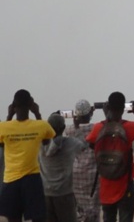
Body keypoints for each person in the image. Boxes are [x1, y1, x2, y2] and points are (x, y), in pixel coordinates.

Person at [85, 92, 134, 222]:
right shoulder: (130, 127)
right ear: (123, 108)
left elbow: (92, 145)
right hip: (125, 185)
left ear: (108, 106)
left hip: (106, 186)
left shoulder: (98, 127)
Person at [0, 89, 56, 222]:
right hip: (32, 179)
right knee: (37, 218)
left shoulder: (3, 127)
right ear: (31, 103)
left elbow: (2, 145)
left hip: (10, 180)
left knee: (11, 218)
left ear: (13, 106)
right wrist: (37, 113)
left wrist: (9, 116)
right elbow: (46, 140)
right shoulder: (41, 125)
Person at [39, 113, 88, 222]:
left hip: (45, 193)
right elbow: (84, 145)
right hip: (64, 194)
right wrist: (77, 128)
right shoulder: (70, 143)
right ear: (63, 128)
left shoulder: (40, 143)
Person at [64, 100, 101, 222]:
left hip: (76, 173)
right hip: (93, 173)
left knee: (79, 208)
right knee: (94, 206)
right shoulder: (97, 128)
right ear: (90, 113)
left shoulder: (69, 130)